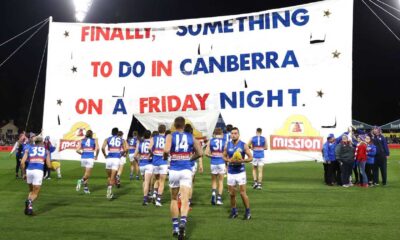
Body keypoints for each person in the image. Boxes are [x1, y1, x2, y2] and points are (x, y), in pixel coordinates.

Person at [164, 116, 202, 238]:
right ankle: (183, 221)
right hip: (186, 170)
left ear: (175, 125)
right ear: (184, 125)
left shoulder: (170, 136)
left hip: (174, 170)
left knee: (174, 199)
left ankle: (175, 226)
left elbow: (166, 150)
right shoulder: (191, 137)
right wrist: (190, 158)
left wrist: (166, 157)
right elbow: (200, 153)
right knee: (185, 199)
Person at [223, 127, 253, 220]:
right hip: (231, 172)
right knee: (232, 194)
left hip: (240, 172)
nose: (233, 135)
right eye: (232, 133)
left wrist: (242, 160)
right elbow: (223, 156)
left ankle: (248, 212)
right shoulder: (227, 144)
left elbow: (251, 157)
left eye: (235, 133)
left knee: (242, 193)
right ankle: (234, 211)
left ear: (238, 135)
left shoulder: (243, 145)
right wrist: (228, 160)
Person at [20, 136, 52, 215]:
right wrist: (53, 167)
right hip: (38, 171)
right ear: (42, 142)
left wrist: (24, 173)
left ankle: (29, 209)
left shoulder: (28, 149)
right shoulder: (46, 151)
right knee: (35, 193)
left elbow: (22, 163)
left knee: (31, 191)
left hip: (29, 171)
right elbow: (49, 165)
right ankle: (29, 202)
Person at [102, 127, 126, 199]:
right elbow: (126, 149)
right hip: (116, 159)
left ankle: (109, 191)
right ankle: (109, 191)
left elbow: (102, 148)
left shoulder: (107, 139)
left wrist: (105, 155)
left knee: (109, 177)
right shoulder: (122, 140)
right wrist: (121, 154)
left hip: (109, 159)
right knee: (113, 177)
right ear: (117, 132)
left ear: (111, 132)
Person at [205, 127, 226, 205]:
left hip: (213, 162)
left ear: (214, 134)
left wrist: (212, 156)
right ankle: (219, 199)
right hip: (221, 162)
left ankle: (213, 193)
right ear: (221, 133)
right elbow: (226, 153)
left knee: (214, 180)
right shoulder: (225, 141)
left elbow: (206, 153)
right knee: (221, 181)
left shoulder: (211, 141)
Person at [149, 124, 168, 207]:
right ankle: (158, 200)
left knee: (157, 180)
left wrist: (152, 154)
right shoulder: (167, 139)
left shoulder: (153, 138)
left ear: (158, 129)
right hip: (163, 162)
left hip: (155, 162)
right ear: (165, 130)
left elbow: (149, 148)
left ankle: (154, 194)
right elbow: (168, 150)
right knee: (162, 182)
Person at [134, 130, 154, 206]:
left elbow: (135, 156)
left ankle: (146, 196)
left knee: (144, 181)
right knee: (147, 182)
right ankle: (145, 199)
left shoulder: (140, 144)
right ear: (150, 136)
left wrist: (138, 162)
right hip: (149, 164)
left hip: (142, 164)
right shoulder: (151, 143)